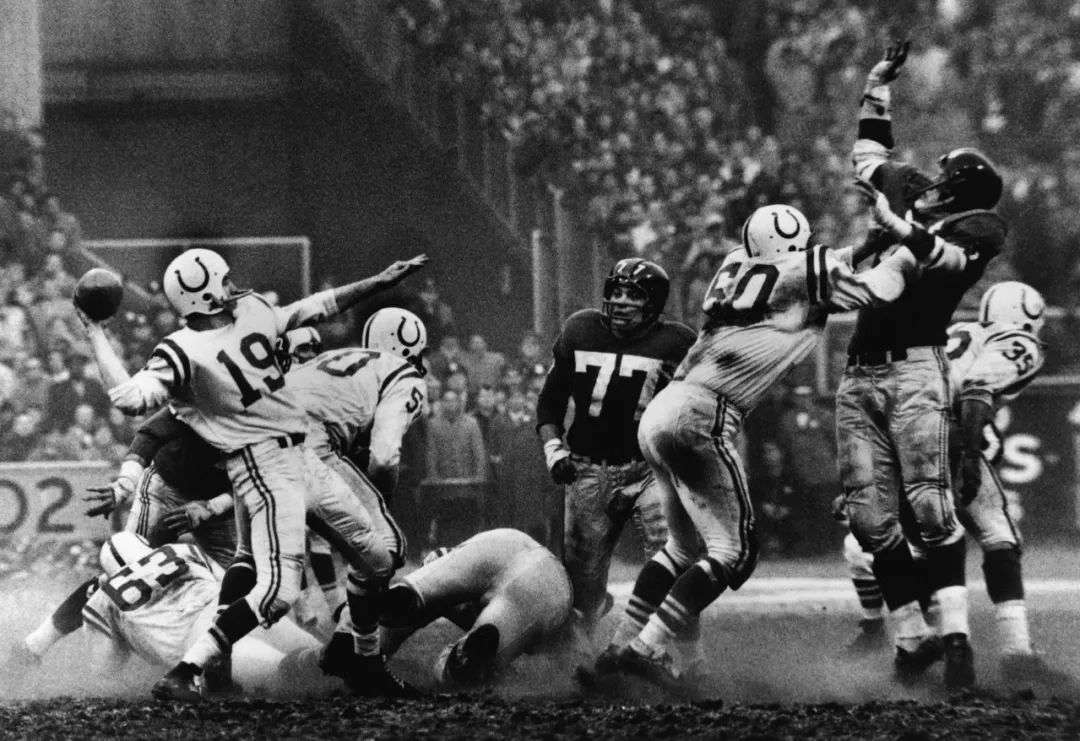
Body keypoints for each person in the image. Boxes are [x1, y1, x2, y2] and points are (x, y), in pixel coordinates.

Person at [589, 200, 943, 690]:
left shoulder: (738, 263)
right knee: (733, 552)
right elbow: (877, 290)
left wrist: (865, 244)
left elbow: (807, 267)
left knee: (682, 546)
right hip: (705, 413)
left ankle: (615, 648)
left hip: (664, 411)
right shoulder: (802, 272)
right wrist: (910, 248)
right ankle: (645, 646)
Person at [82, 248, 426, 701]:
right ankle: (187, 671)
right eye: (223, 281)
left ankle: (364, 662)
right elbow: (130, 399)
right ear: (204, 294)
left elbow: (317, 307)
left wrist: (379, 281)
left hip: (305, 454)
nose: (233, 285)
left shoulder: (251, 311)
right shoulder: (182, 350)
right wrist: (95, 332)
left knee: (379, 558)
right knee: (278, 590)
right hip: (260, 466)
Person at [837, 41, 1007, 690]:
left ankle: (958, 641)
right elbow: (868, 156)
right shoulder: (906, 190)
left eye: (944, 175)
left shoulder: (980, 227)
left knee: (932, 508)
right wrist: (877, 86)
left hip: (915, 368)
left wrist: (899, 228)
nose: (929, 180)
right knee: (867, 517)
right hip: (860, 370)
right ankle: (912, 638)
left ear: (961, 188)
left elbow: (946, 259)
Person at [840, 282, 1077, 691]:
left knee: (910, 543)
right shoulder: (1017, 341)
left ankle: (913, 641)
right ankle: (1013, 654)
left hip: (898, 432)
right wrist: (967, 455)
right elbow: (975, 392)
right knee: (997, 536)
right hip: (944, 435)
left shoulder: (959, 332)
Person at [535, 257, 696, 667]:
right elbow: (550, 400)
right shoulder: (580, 329)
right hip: (588, 469)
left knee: (672, 556)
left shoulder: (677, 342)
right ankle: (583, 659)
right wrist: (554, 450)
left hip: (651, 469)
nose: (621, 301)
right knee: (582, 583)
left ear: (653, 304)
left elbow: (696, 411)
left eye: (633, 295)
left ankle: (682, 658)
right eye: (617, 292)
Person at [16, 533, 322, 696]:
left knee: (286, 672)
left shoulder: (102, 598)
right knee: (321, 655)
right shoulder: (183, 549)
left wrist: (128, 637)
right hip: (235, 610)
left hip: (196, 642)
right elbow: (226, 583)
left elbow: (105, 669)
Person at [378, 528, 572, 686]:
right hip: (519, 552)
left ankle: (377, 638)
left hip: (525, 572)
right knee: (472, 656)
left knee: (417, 597)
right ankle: (463, 657)